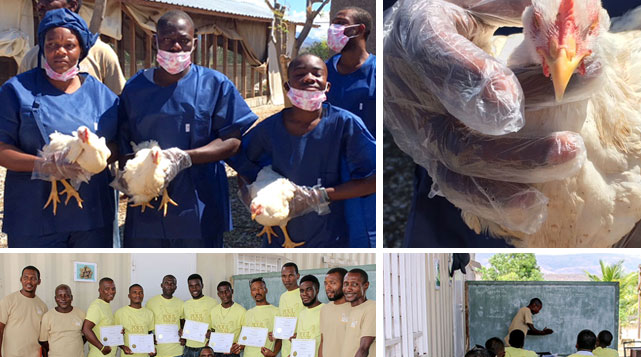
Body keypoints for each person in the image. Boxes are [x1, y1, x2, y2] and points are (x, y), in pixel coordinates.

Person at [384, 0, 641, 248]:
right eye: (541, 30)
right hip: (452, 213)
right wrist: (405, 46)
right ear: (527, 21)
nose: (564, 56)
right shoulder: (489, 76)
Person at [118, 9, 257, 248]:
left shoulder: (215, 84)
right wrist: (134, 175)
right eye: (168, 40)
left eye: (183, 41)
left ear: (194, 43)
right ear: (155, 42)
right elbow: (122, 142)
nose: (175, 48)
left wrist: (185, 158)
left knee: (198, 273)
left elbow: (232, 141)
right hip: (146, 203)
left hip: (199, 201)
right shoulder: (135, 88)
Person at [0, 8, 118, 247]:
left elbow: (118, 144)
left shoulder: (101, 95)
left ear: (82, 49)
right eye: (51, 44)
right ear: (42, 47)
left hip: (90, 215)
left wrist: (90, 158)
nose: (60, 51)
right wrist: (44, 165)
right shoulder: (17, 90)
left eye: (69, 45)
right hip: (33, 215)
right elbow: (2, 147)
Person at [232, 54, 376, 248]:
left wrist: (320, 196)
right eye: (300, 74)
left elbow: (372, 181)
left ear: (328, 87)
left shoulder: (345, 125)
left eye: (317, 74)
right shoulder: (268, 130)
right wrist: (251, 195)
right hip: (279, 235)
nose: (309, 78)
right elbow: (243, 165)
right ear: (287, 87)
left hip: (329, 233)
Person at [325, 7, 376, 248]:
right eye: (332, 24)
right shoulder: (322, 73)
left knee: (362, 236)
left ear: (360, 30)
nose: (333, 29)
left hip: (363, 174)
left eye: (340, 23)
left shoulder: (377, 73)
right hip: (325, 167)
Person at [19, 0, 126, 94]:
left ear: (72, 5)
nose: (40, 5)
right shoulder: (32, 57)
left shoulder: (101, 53)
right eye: (51, 45)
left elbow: (118, 103)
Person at [181, 274, 218, 357]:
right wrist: (182, 333)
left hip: (205, 348)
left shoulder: (213, 302)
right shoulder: (185, 304)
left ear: (202, 285)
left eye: (197, 285)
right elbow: (183, 322)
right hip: (188, 349)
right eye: (191, 286)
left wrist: (211, 336)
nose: (194, 288)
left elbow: (218, 323)